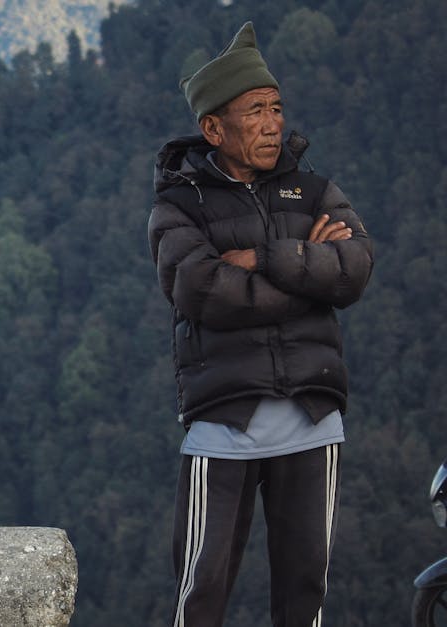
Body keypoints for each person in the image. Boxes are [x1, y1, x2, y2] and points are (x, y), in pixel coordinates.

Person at [148, 22, 373, 625]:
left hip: (313, 419)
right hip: (223, 421)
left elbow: (353, 268)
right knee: (203, 590)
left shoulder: (314, 189)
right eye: (255, 111)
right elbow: (202, 291)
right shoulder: (178, 206)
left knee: (306, 591)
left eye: (276, 108)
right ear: (213, 128)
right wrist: (308, 273)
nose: (273, 122)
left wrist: (265, 258)